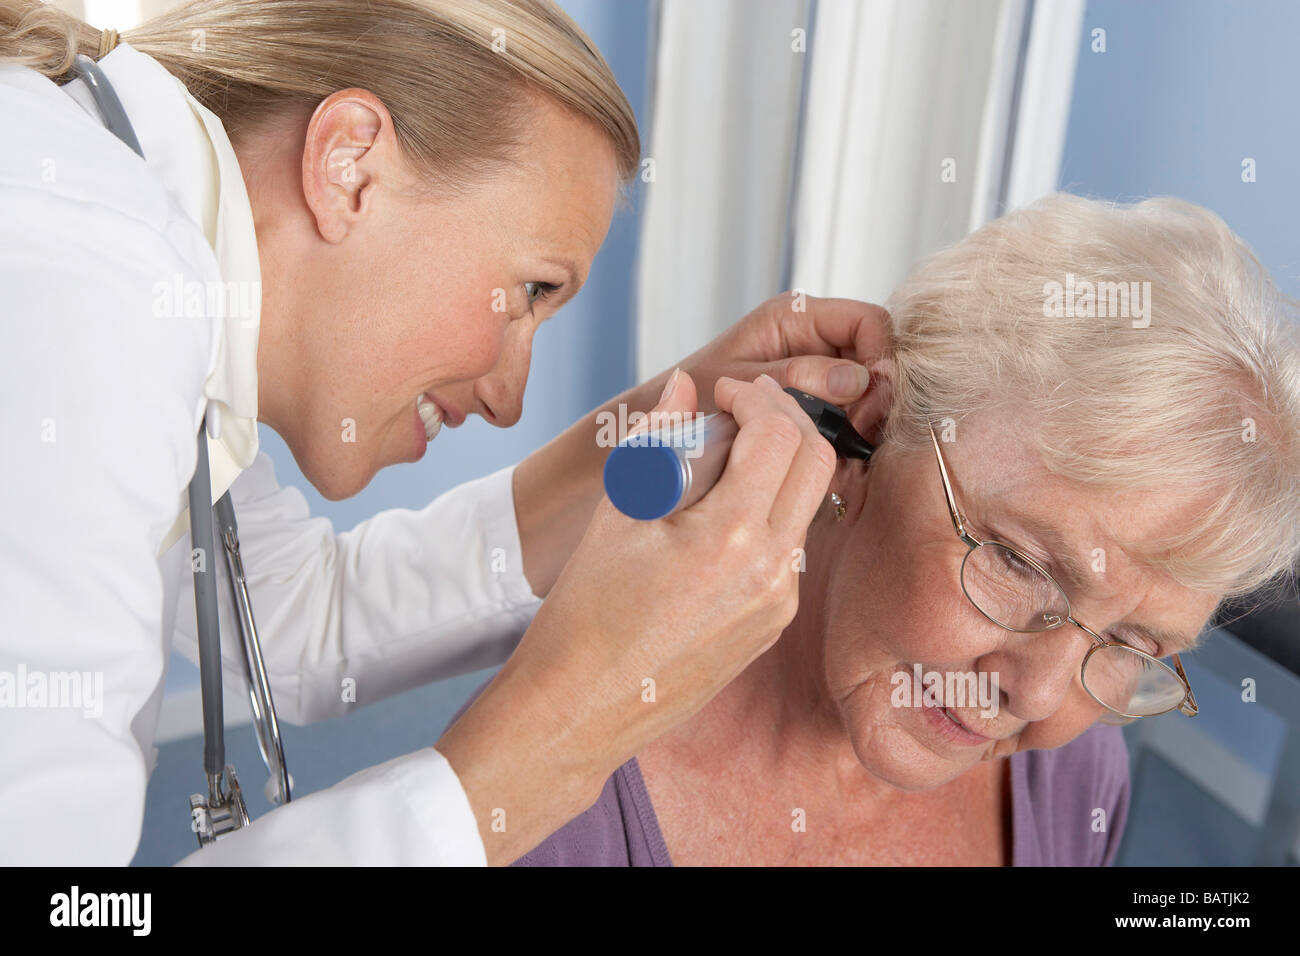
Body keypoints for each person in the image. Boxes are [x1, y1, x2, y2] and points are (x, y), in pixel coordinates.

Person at [0, 0, 885, 865]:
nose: (509, 398)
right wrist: (582, 713)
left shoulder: (142, 260)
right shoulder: (91, 288)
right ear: (351, 167)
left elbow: (305, 619)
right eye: (532, 291)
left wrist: (673, 408)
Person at [447, 194, 1300, 865]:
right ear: (877, 424)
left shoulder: (1075, 778)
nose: (1037, 699)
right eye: (1019, 563)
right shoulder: (548, 800)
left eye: (1132, 646)